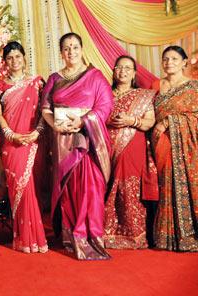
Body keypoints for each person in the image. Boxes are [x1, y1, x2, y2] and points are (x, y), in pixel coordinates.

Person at [41, 33, 113, 260]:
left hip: (89, 140)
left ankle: (91, 236)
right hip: (63, 141)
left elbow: (105, 106)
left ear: (82, 49)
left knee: (90, 189)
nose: (71, 52)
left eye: (74, 47)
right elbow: (45, 108)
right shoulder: (54, 78)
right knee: (69, 190)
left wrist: (83, 121)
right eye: (66, 48)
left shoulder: (95, 76)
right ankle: (71, 235)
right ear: (61, 52)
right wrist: (58, 127)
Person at [0, 41, 48, 253]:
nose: (14, 61)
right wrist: (10, 134)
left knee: (33, 189)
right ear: (5, 62)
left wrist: (37, 132)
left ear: (24, 57)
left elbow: (45, 110)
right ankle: (23, 238)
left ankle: (36, 237)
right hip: (12, 143)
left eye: (18, 56)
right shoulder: (0, 86)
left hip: (34, 142)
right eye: (10, 58)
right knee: (19, 189)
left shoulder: (37, 83)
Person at [103, 55, 158, 249]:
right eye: (119, 67)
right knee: (106, 186)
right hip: (106, 146)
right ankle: (107, 231)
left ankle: (134, 234)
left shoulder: (142, 95)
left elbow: (149, 121)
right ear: (114, 71)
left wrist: (131, 121)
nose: (123, 71)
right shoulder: (105, 94)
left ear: (134, 73)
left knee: (129, 187)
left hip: (132, 146)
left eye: (127, 68)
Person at [152, 46, 198, 252]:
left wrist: (169, 122)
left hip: (187, 147)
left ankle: (189, 233)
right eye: (165, 59)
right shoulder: (156, 85)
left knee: (186, 184)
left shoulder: (194, 87)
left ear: (184, 62)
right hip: (159, 145)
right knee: (165, 185)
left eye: (174, 58)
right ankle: (167, 236)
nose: (169, 62)